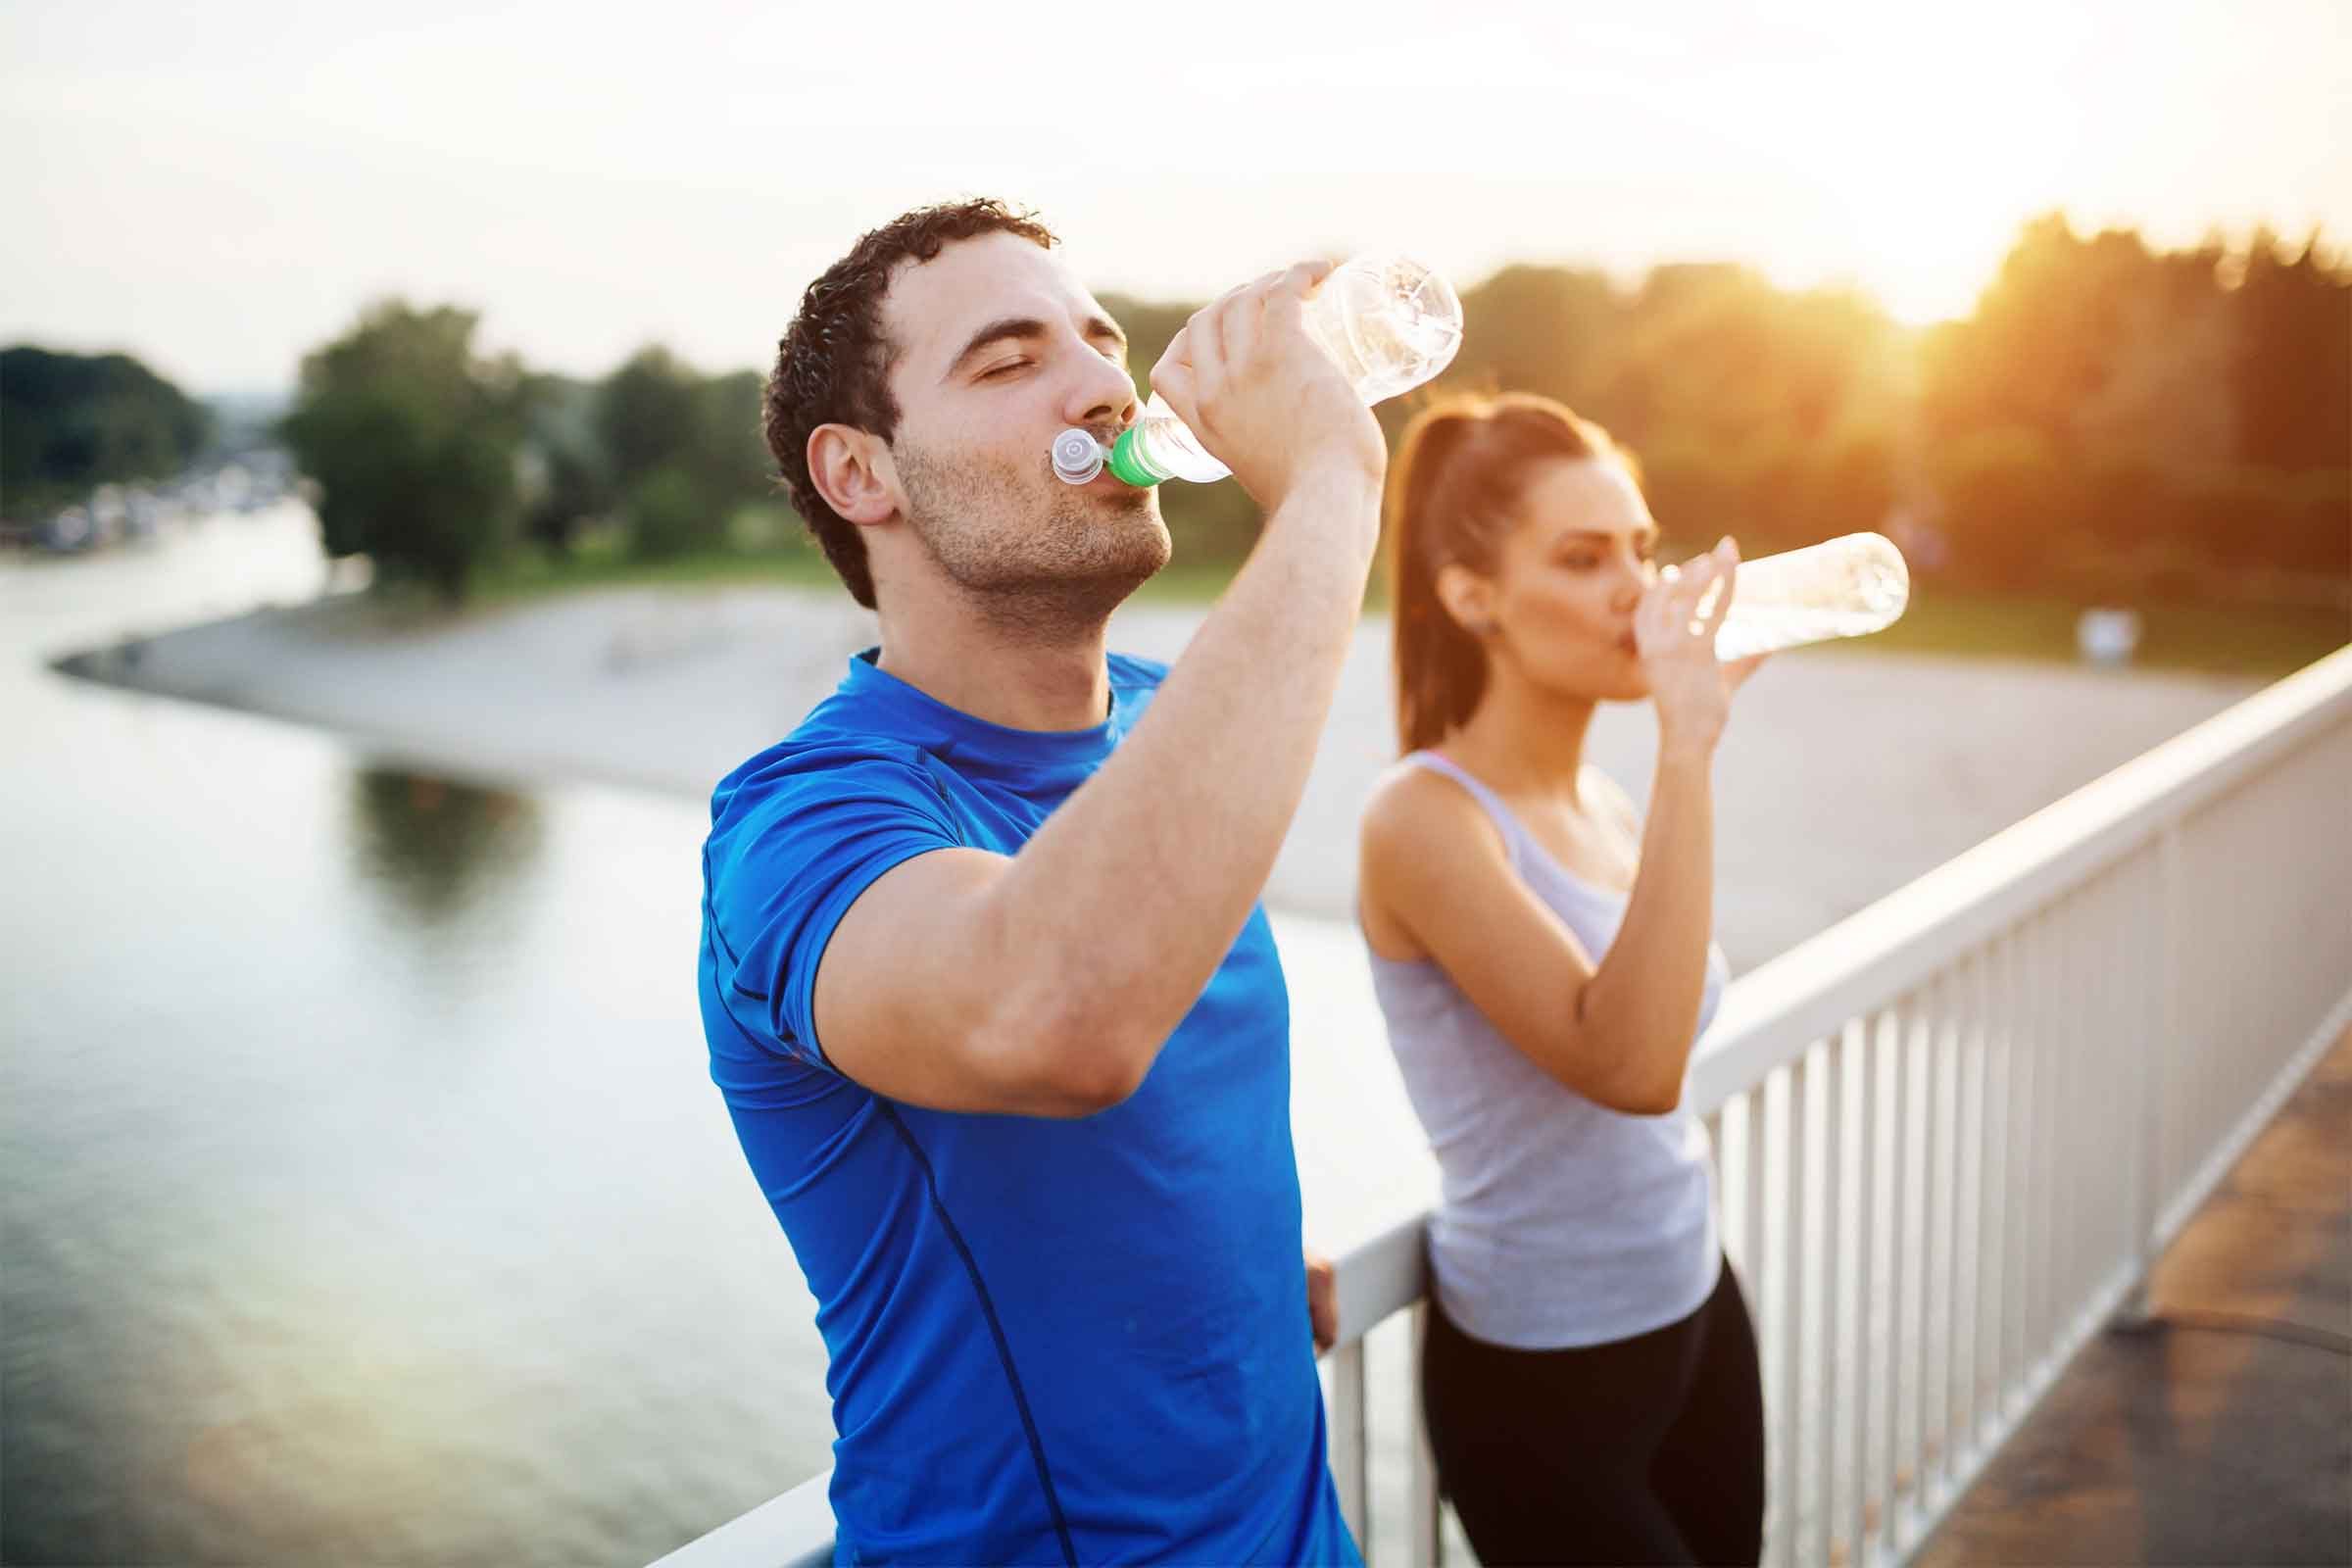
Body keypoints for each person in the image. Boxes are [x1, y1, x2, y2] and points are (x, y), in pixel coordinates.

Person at [696, 198, 1383, 1564]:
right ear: (860, 475)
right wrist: (1331, 483)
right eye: (1010, 363)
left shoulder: (1162, 719)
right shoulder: (799, 827)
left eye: (1101, 339)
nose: (1104, 386)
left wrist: (1236, 1271)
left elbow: (1161, 1137)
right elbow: (1055, 1015)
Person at [1355, 392, 1768, 1565]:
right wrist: (1689, 744)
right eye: (1585, 560)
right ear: (1471, 593)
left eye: (1642, 548)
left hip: (1690, 1300)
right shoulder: (1425, 820)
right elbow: (1630, 1065)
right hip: (1544, 1372)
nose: (1637, 589)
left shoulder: (1603, 801)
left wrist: (1674, 763)